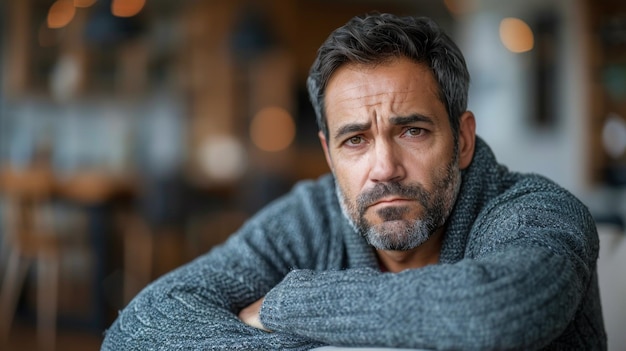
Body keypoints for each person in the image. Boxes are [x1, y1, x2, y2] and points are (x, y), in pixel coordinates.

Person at [101, 13, 606, 350]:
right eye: (355, 140)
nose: (384, 167)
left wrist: (286, 305)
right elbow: (140, 327)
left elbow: (494, 313)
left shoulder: (537, 212)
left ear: (463, 138)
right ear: (328, 153)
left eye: (412, 130)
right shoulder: (310, 217)